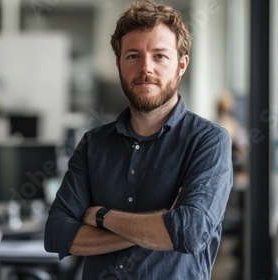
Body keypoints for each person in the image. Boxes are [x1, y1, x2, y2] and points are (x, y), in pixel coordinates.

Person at [44, 1, 233, 279]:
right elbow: (57, 234)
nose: (146, 68)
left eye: (159, 56)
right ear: (118, 63)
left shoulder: (208, 141)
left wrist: (101, 217)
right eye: (133, 56)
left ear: (181, 65)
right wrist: (159, 228)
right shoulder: (93, 144)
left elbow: (189, 232)